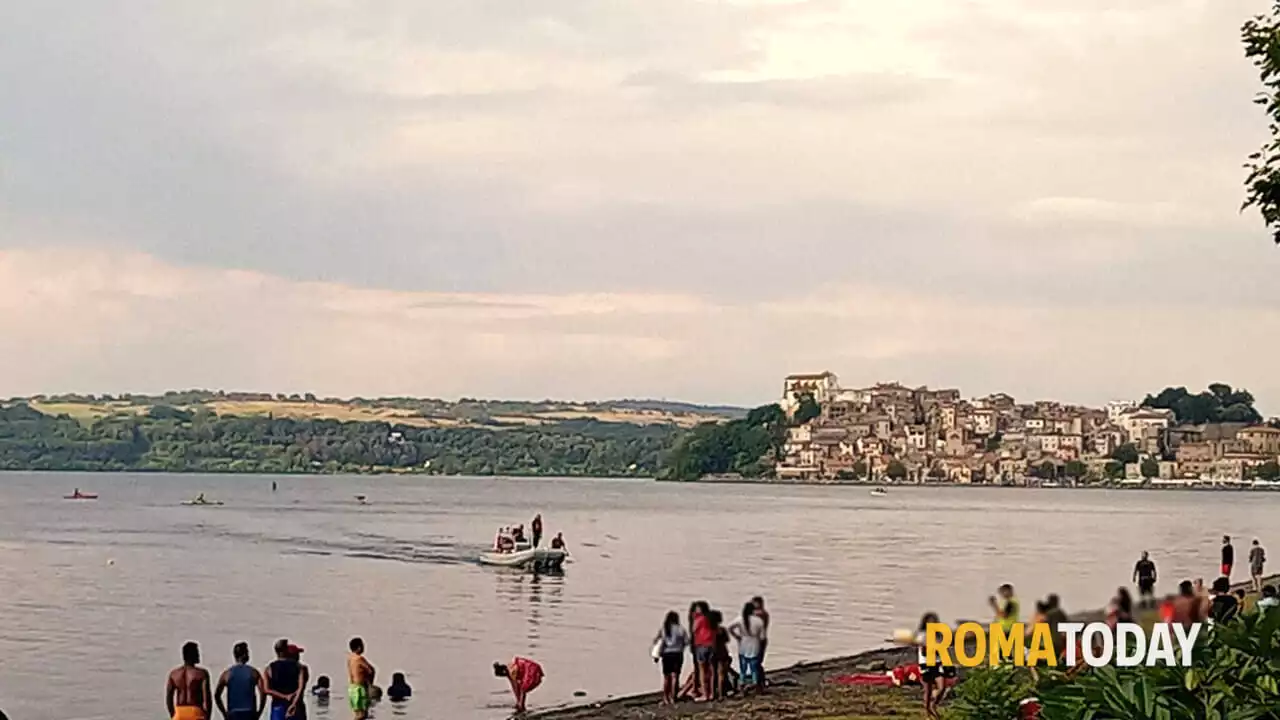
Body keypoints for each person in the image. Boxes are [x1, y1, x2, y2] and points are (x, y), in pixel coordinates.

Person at [914, 612, 954, 720]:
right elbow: (923, 651)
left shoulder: (939, 635)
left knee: (942, 687)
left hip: (937, 662)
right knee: (928, 690)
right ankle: (927, 712)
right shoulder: (922, 635)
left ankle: (933, 705)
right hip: (926, 663)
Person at [215, 642, 266, 720]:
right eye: (247, 652)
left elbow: (217, 695)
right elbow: (263, 693)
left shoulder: (227, 674)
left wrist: (224, 713)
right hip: (249, 712)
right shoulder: (254, 672)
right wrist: (259, 712)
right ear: (244, 654)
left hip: (233, 712)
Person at [166, 641, 212, 720]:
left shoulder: (174, 674)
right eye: (197, 653)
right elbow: (207, 699)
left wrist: (173, 715)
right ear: (192, 655)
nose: (199, 655)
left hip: (179, 713)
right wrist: (207, 717)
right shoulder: (201, 673)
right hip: (196, 712)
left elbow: (169, 698)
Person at [729, 601, 766, 693]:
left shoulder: (740, 619)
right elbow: (762, 637)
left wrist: (737, 636)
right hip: (754, 644)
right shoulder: (758, 621)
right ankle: (755, 684)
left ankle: (742, 683)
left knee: (743, 667)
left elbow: (730, 627)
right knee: (754, 667)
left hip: (743, 643)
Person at [653, 611, 689, 705]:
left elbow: (657, 641)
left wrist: (657, 654)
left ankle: (665, 698)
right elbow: (687, 641)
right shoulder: (680, 629)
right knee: (675, 676)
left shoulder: (664, 629)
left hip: (666, 654)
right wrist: (681, 647)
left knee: (666, 677)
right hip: (677, 654)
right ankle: (673, 698)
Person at [264, 639, 304, 720]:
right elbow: (301, 687)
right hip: (296, 706)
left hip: (278, 706)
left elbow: (266, 690)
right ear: (286, 650)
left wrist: (284, 696)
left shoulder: (269, 668)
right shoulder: (299, 667)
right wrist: (294, 703)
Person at [689, 601, 715, 702]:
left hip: (701, 644)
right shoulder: (710, 618)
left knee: (702, 670)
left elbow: (694, 629)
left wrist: (694, 618)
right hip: (711, 644)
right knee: (712, 670)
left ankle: (705, 694)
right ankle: (712, 693)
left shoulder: (699, 618)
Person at [347, 637, 375, 720]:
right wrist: (370, 684)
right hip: (360, 687)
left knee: (357, 712)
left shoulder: (350, 658)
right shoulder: (359, 658)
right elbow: (371, 670)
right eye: (363, 645)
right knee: (362, 714)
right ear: (359, 647)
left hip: (352, 687)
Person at [988, 584, 1019, 660]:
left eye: (1003, 592)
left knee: (1005, 652)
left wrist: (994, 605)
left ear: (1008, 591)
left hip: (1007, 629)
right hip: (1005, 629)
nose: (1001, 594)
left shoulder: (1011, 603)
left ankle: (1008, 667)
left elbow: (1004, 615)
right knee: (1004, 652)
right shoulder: (1008, 602)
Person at [751, 596, 770, 682]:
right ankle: (759, 680)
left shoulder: (760, 614)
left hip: (758, 640)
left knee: (756, 661)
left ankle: (759, 681)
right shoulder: (763, 614)